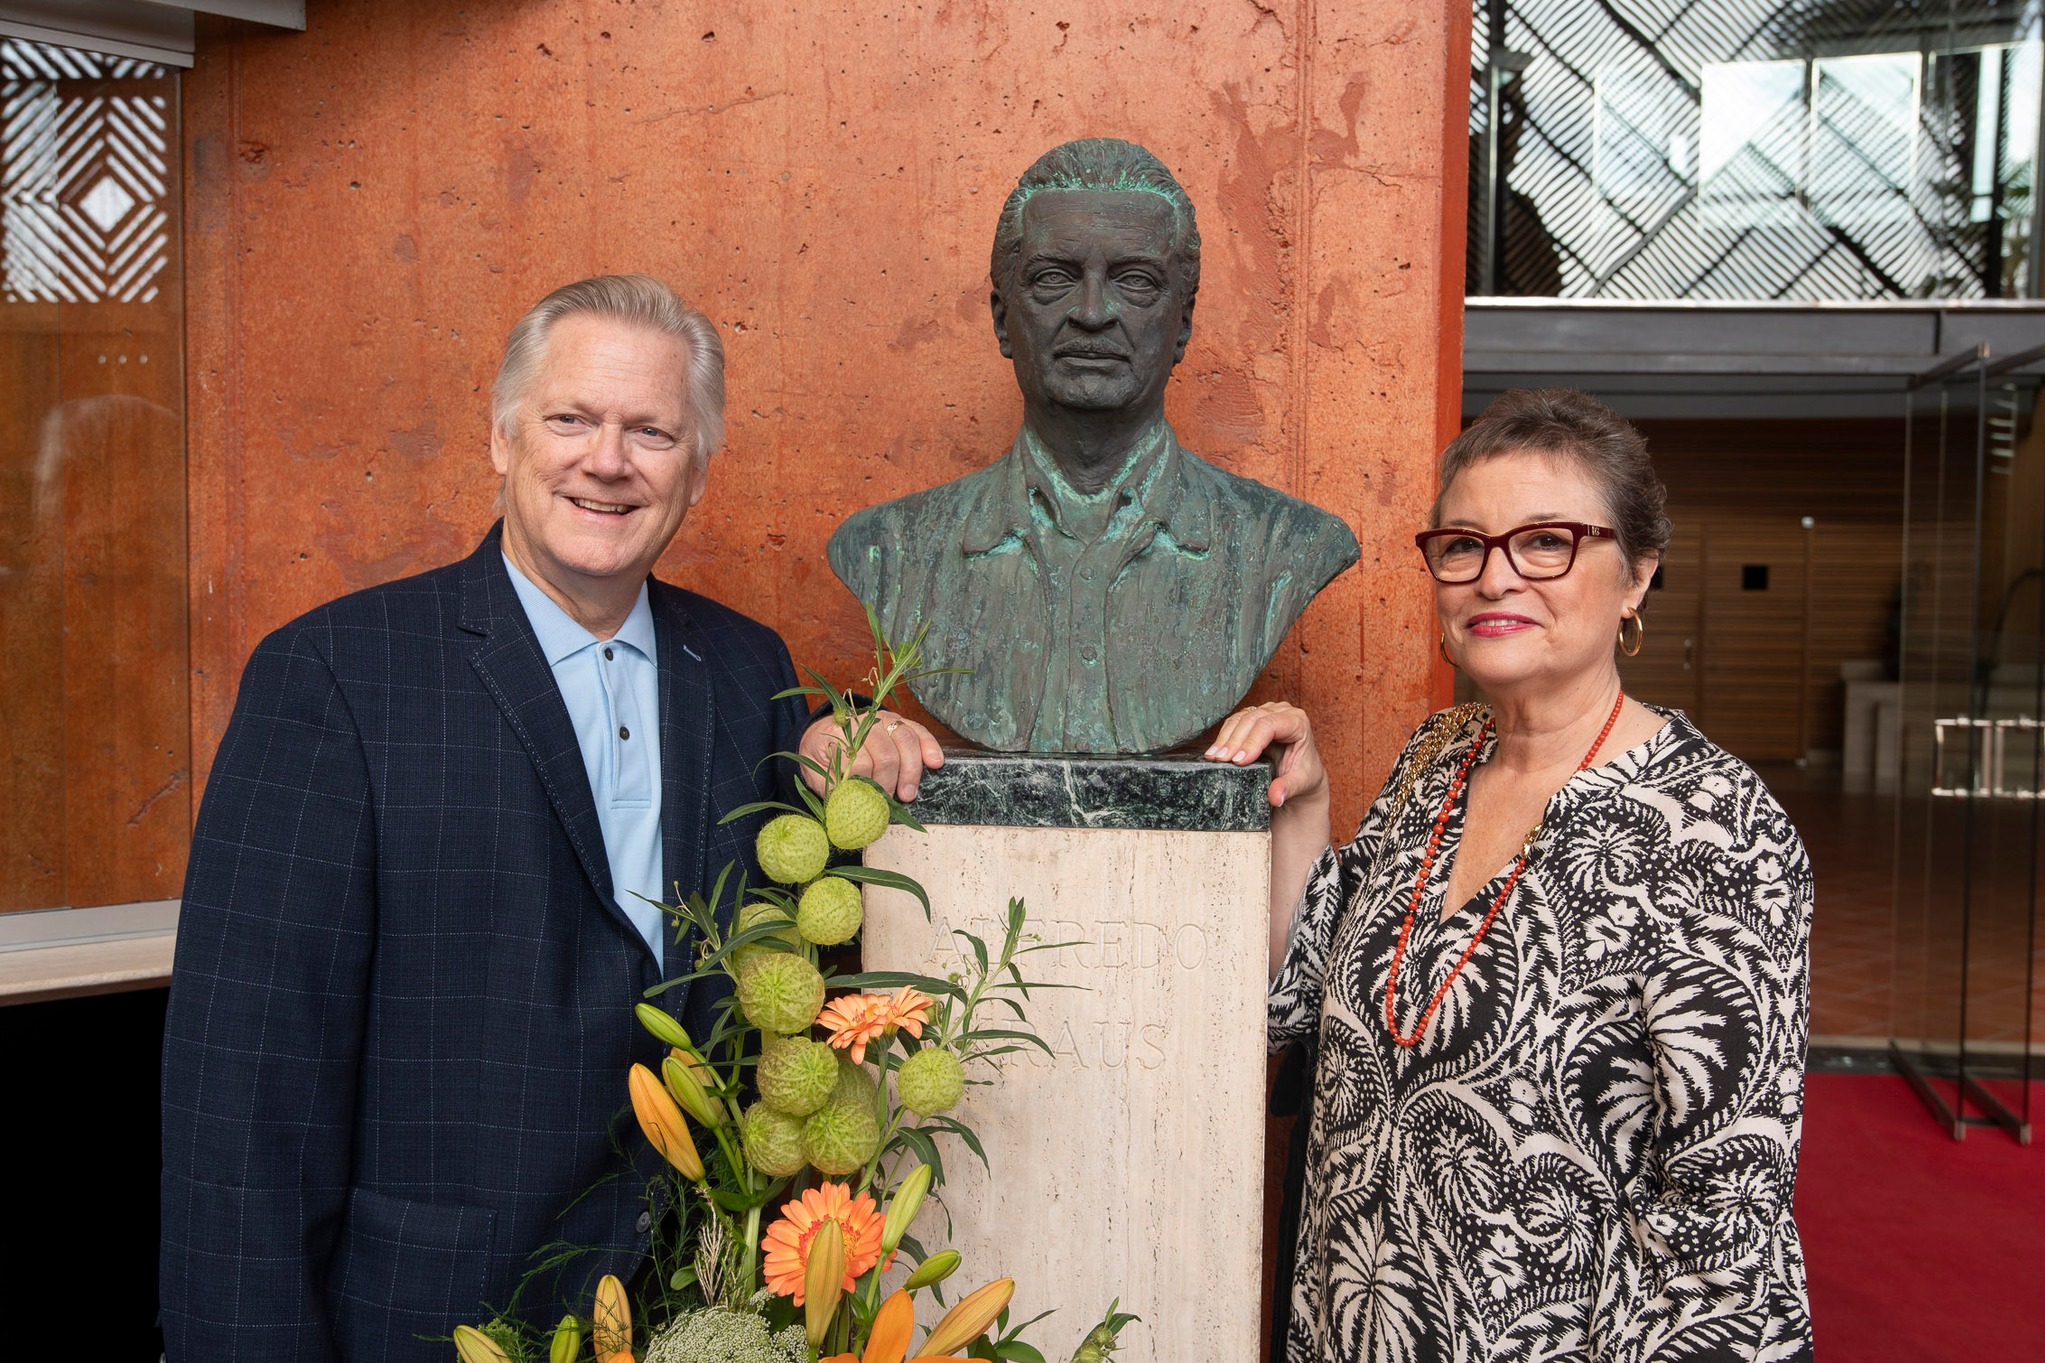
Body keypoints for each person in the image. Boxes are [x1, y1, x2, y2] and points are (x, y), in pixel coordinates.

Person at [159, 275, 940, 1362]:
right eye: (571, 418)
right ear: (501, 437)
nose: (606, 459)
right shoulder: (336, 676)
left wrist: (856, 744)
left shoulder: (746, 670)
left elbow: (789, 958)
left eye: (650, 430)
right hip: (428, 1320)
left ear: (698, 469)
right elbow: (241, 1096)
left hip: (695, 1312)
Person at [1206, 389, 1813, 1362]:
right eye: (1462, 545)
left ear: (1636, 576)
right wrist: (1307, 802)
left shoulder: (1715, 834)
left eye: (1546, 542)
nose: (1494, 578)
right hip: (1345, 1320)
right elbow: (1295, 1004)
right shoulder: (1437, 759)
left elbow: (1719, 1229)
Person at [828, 137, 1358, 754]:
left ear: (1181, 324)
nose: (1091, 311)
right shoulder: (890, 550)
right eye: (1055, 278)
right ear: (1003, 319)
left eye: (1134, 281)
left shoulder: (1285, 545)